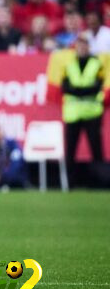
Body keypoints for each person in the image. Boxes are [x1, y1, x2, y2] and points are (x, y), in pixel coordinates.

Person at [61, 33, 106, 183]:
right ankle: (69, 183)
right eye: (79, 45)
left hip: (92, 113)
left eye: (84, 44)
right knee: (70, 150)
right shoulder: (70, 65)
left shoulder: (96, 63)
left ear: (88, 46)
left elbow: (98, 86)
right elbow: (65, 87)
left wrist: (78, 90)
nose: (81, 48)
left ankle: (101, 182)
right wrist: (85, 89)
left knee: (96, 150)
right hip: (73, 113)